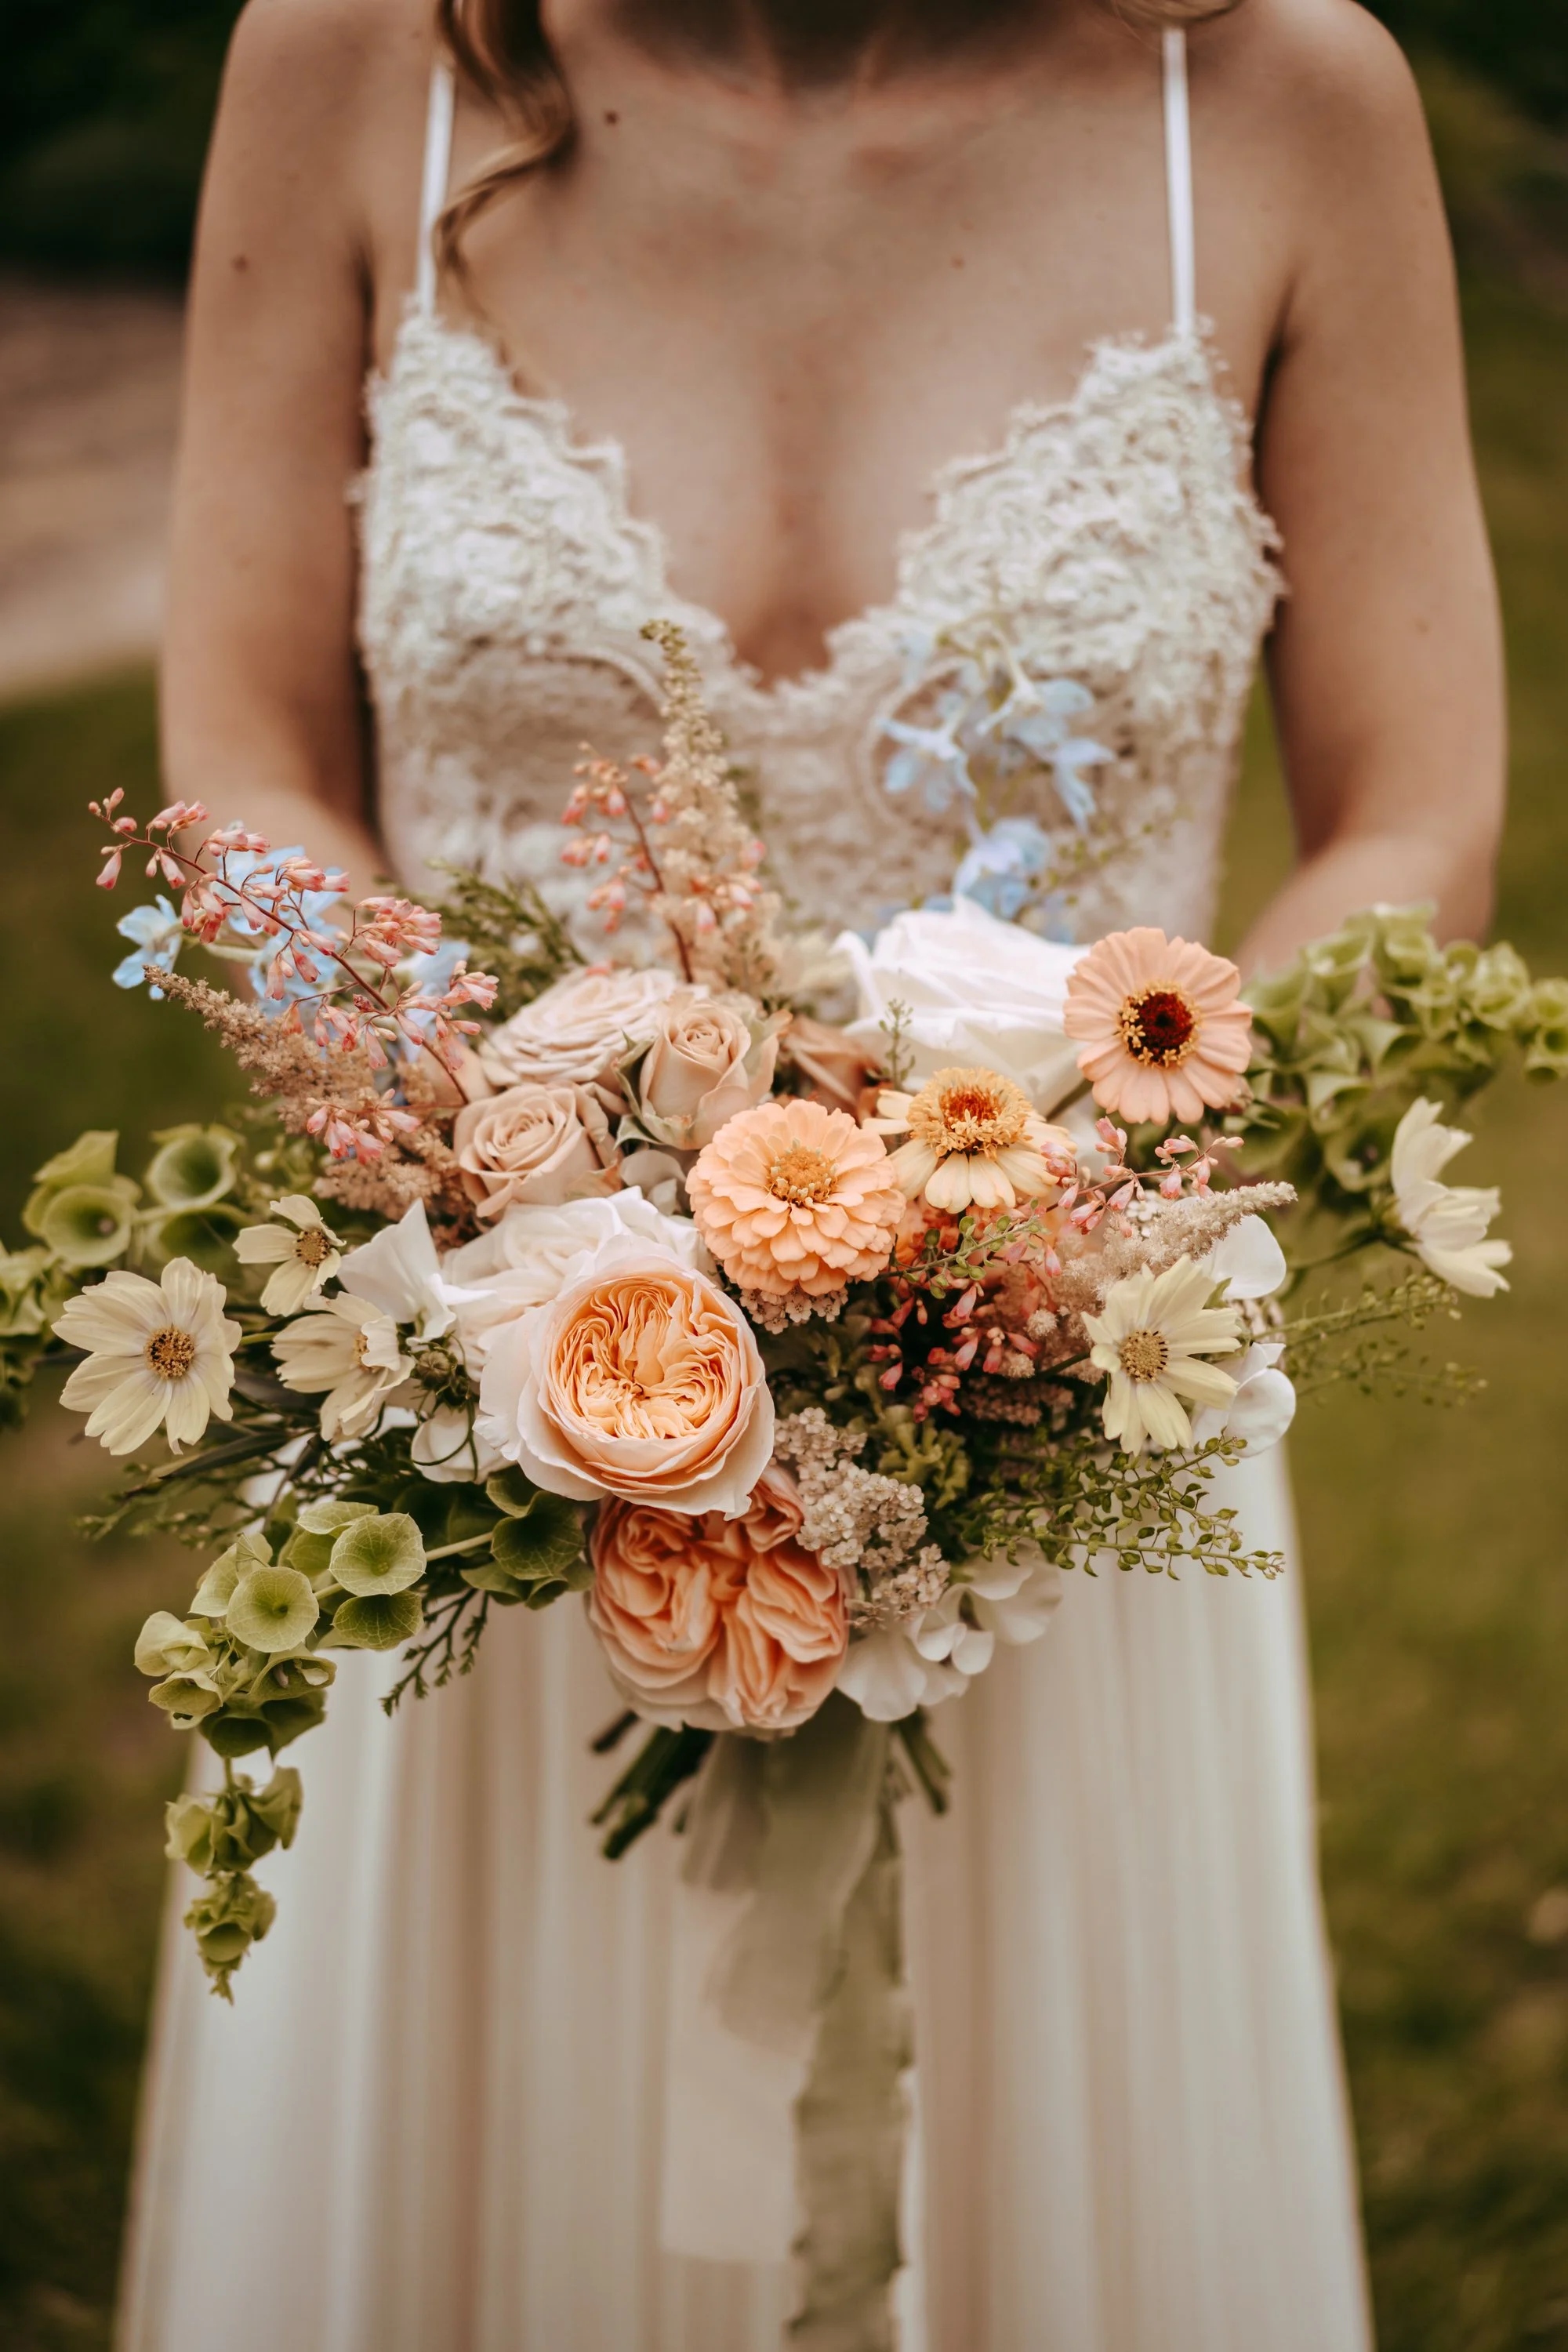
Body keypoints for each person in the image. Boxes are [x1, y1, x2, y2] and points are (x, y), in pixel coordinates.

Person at [117, 2, 1504, 2346]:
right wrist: (517, 1203)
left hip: (1067, 1441)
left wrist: (1040, 1258)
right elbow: (248, 736)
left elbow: (1412, 809)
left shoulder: (1270, 107)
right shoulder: (353, 64)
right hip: (490, 1418)